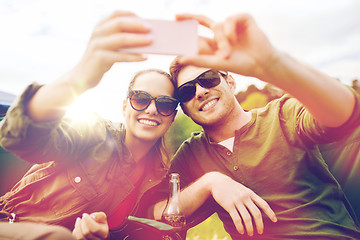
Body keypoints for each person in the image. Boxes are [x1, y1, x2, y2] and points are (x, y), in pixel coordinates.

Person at [151, 13, 360, 239]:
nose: (200, 91)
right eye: (187, 91)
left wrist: (272, 63)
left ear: (230, 82)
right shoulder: (192, 154)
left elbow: (346, 114)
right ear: (184, 108)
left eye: (208, 78)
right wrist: (209, 183)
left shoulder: (282, 115)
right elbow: (154, 213)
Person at [0, 11, 179, 239]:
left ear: (172, 116)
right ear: (125, 105)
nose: (152, 109)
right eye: (141, 99)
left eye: (164, 104)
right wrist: (80, 75)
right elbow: (19, 138)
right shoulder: (95, 133)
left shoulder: (160, 176)